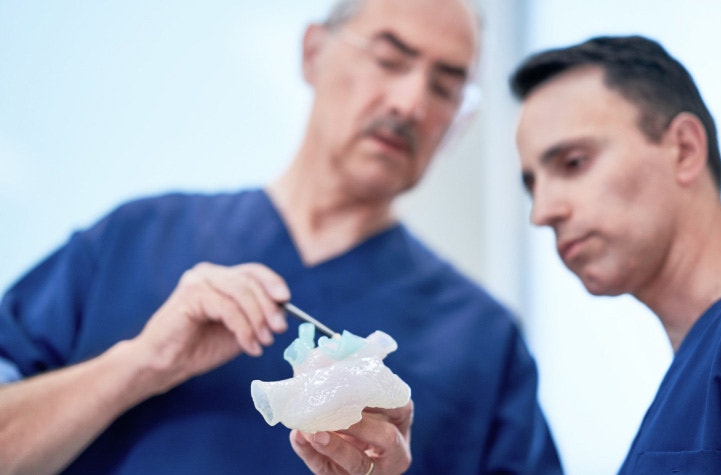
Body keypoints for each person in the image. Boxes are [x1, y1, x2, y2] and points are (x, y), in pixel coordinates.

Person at [0, 0, 562, 473]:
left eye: (446, 88)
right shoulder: (133, 241)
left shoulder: (484, 341)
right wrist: (140, 365)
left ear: (458, 124)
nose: (410, 103)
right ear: (313, 52)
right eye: (389, 59)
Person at [509, 36, 721, 473]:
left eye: (573, 163)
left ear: (684, 149)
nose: (542, 212)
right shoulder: (699, 375)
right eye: (532, 184)